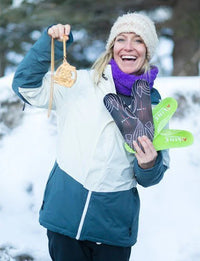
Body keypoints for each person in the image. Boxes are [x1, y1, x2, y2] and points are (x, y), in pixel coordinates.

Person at [12, 12, 169, 261]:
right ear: (111, 47)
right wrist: (50, 45)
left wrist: (149, 164)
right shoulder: (79, 83)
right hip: (65, 217)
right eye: (121, 39)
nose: (128, 47)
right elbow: (26, 87)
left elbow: (150, 177)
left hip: (113, 228)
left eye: (138, 40)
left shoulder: (155, 104)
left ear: (147, 50)